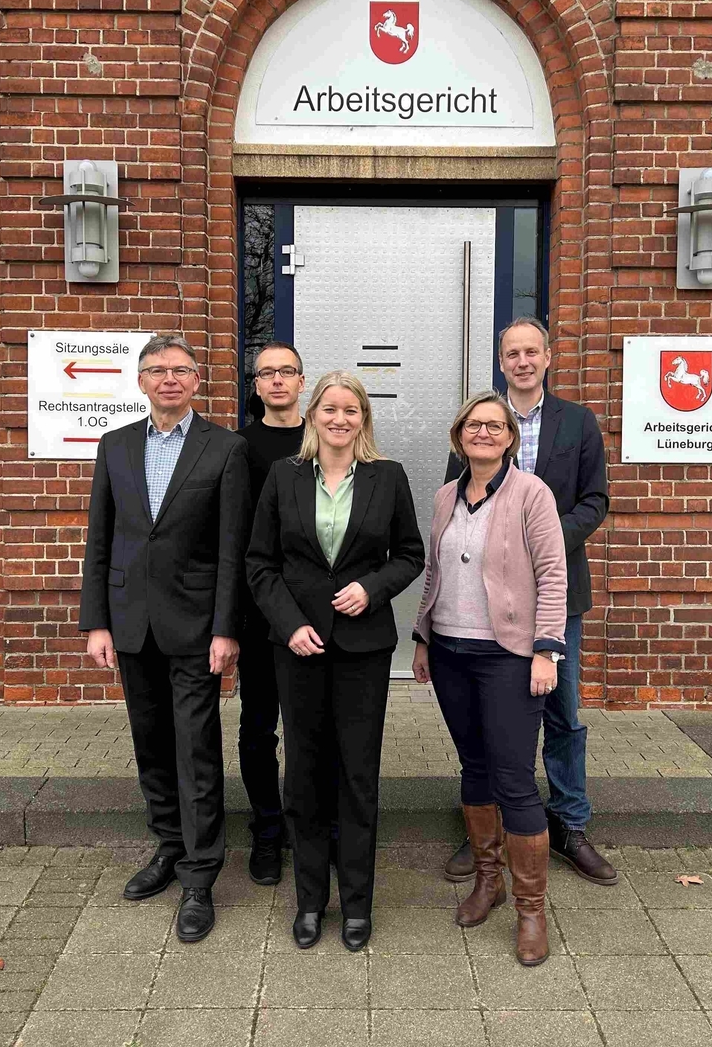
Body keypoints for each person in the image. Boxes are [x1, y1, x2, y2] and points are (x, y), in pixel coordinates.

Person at [78, 334, 250, 944]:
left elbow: (232, 548)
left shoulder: (225, 448)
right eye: (157, 370)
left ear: (197, 380)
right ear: (141, 381)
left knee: (196, 749)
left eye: (180, 369)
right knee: (150, 743)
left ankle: (200, 875)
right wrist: (97, 621)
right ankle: (169, 845)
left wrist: (227, 628)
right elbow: (101, 538)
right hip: (130, 624)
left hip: (196, 627)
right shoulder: (116, 445)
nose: (169, 379)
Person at [246, 372, 424, 951]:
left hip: (362, 649)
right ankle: (309, 901)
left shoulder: (387, 476)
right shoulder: (285, 475)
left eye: (351, 410)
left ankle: (356, 903)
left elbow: (410, 554)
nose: (340, 419)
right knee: (303, 774)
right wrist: (288, 623)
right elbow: (260, 563)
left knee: (357, 775)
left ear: (363, 418)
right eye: (330, 409)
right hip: (297, 646)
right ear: (313, 415)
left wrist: (372, 588)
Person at [441, 317, 615, 886]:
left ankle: (569, 824)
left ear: (547, 357)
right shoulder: (479, 423)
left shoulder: (578, 422)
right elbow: (457, 502)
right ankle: (488, 829)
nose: (522, 361)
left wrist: (540, 542)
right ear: (501, 361)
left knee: (561, 710)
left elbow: (595, 501)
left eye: (531, 352)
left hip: (558, 591)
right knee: (491, 714)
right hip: (487, 602)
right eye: (512, 353)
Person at [413, 391, 567, 967]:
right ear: (460, 436)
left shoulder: (531, 493)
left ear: (510, 437)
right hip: (450, 651)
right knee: (473, 767)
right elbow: (433, 570)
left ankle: (532, 909)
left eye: (494, 426)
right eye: (473, 425)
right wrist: (423, 637)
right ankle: (488, 880)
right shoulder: (445, 496)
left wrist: (547, 650)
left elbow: (553, 574)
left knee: (514, 780)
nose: (483, 433)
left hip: (509, 655)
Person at [235, 343, 307, 885]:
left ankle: (310, 825)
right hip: (259, 607)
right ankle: (266, 827)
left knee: (312, 728)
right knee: (259, 727)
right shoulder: (237, 447)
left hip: (315, 608)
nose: (277, 380)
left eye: (287, 371)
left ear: (302, 381)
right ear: (256, 385)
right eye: (267, 373)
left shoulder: (325, 436)